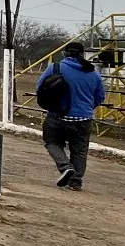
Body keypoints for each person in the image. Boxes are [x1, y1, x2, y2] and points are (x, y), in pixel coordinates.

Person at [37, 42, 106, 190]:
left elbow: (39, 88)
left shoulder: (55, 68)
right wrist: (86, 108)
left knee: (52, 142)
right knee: (80, 150)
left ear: (65, 53)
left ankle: (65, 167)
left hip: (57, 117)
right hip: (84, 120)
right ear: (82, 54)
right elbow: (100, 97)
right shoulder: (93, 73)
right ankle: (76, 182)